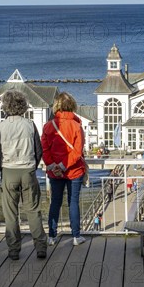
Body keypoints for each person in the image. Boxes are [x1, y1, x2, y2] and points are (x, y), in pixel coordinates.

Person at [0, 91, 47, 260]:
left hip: (8, 171)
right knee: (33, 211)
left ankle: (14, 249)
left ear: (5, 107)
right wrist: (32, 166)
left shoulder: (0, 127)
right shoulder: (30, 124)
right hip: (28, 171)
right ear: (23, 106)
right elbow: (39, 150)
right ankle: (40, 247)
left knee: (10, 213)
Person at [41, 92, 87, 246]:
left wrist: (54, 166)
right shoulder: (76, 126)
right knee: (73, 202)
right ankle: (76, 236)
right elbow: (77, 152)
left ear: (56, 106)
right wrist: (63, 165)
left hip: (54, 172)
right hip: (73, 170)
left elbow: (44, 150)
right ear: (72, 106)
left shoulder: (48, 126)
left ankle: (52, 236)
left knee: (55, 202)